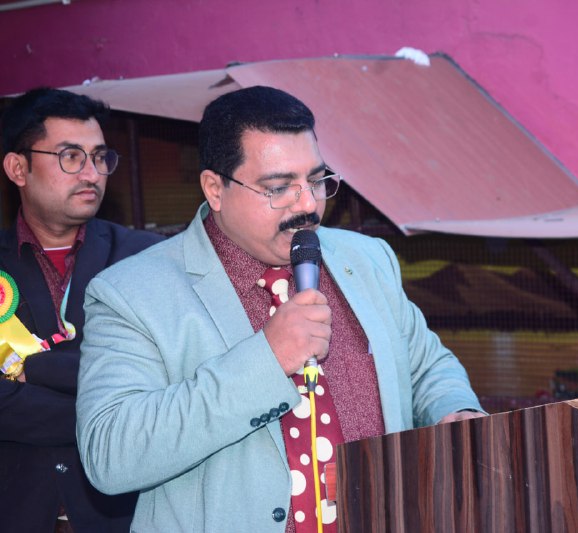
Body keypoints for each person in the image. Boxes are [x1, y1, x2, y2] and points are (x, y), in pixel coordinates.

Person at [76, 85, 485, 532]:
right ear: (215, 189)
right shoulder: (133, 292)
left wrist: (455, 410)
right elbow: (110, 455)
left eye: (316, 180)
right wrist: (267, 359)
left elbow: (425, 366)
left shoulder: (367, 260)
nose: (308, 204)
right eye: (279, 188)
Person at [0, 88, 163, 532]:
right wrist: (113, 415)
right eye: (71, 156)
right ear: (18, 168)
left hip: (123, 517)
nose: (91, 173)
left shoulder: (148, 258)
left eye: (99, 157)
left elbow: (162, 380)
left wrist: (33, 371)